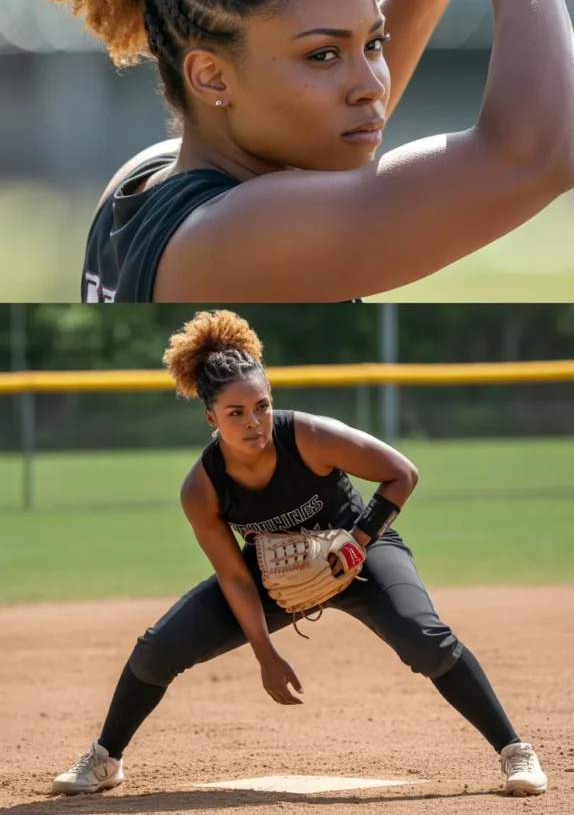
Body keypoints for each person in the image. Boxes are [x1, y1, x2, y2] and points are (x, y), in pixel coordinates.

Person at [35, 0, 574, 303]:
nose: (372, 87)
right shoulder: (244, 233)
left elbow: (309, 134)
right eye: (321, 56)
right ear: (212, 78)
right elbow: (535, 155)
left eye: (373, 44)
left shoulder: (143, 179)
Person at [51, 310, 547, 797]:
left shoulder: (308, 436)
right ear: (210, 417)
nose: (254, 422)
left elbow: (402, 472)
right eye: (236, 413)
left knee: (424, 639)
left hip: (357, 550)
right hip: (270, 572)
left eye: (261, 406)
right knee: (159, 648)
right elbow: (236, 578)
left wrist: (360, 541)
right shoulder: (201, 489)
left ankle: (514, 750)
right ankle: (104, 758)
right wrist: (266, 654)